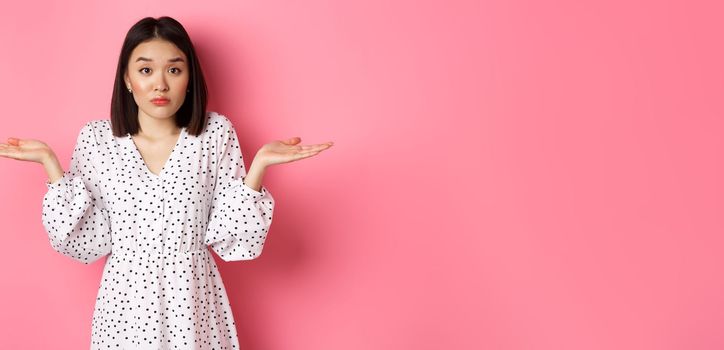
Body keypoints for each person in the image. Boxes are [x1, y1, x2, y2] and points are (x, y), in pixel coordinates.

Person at [0, 16, 332, 349]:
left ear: (189, 79)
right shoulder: (97, 140)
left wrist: (259, 166)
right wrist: (50, 164)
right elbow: (88, 241)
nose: (160, 84)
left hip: (193, 301)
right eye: (146, 70)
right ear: (127, 79)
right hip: (124, 307)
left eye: (174, 70)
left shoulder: (214, 134)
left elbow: (233, 239)